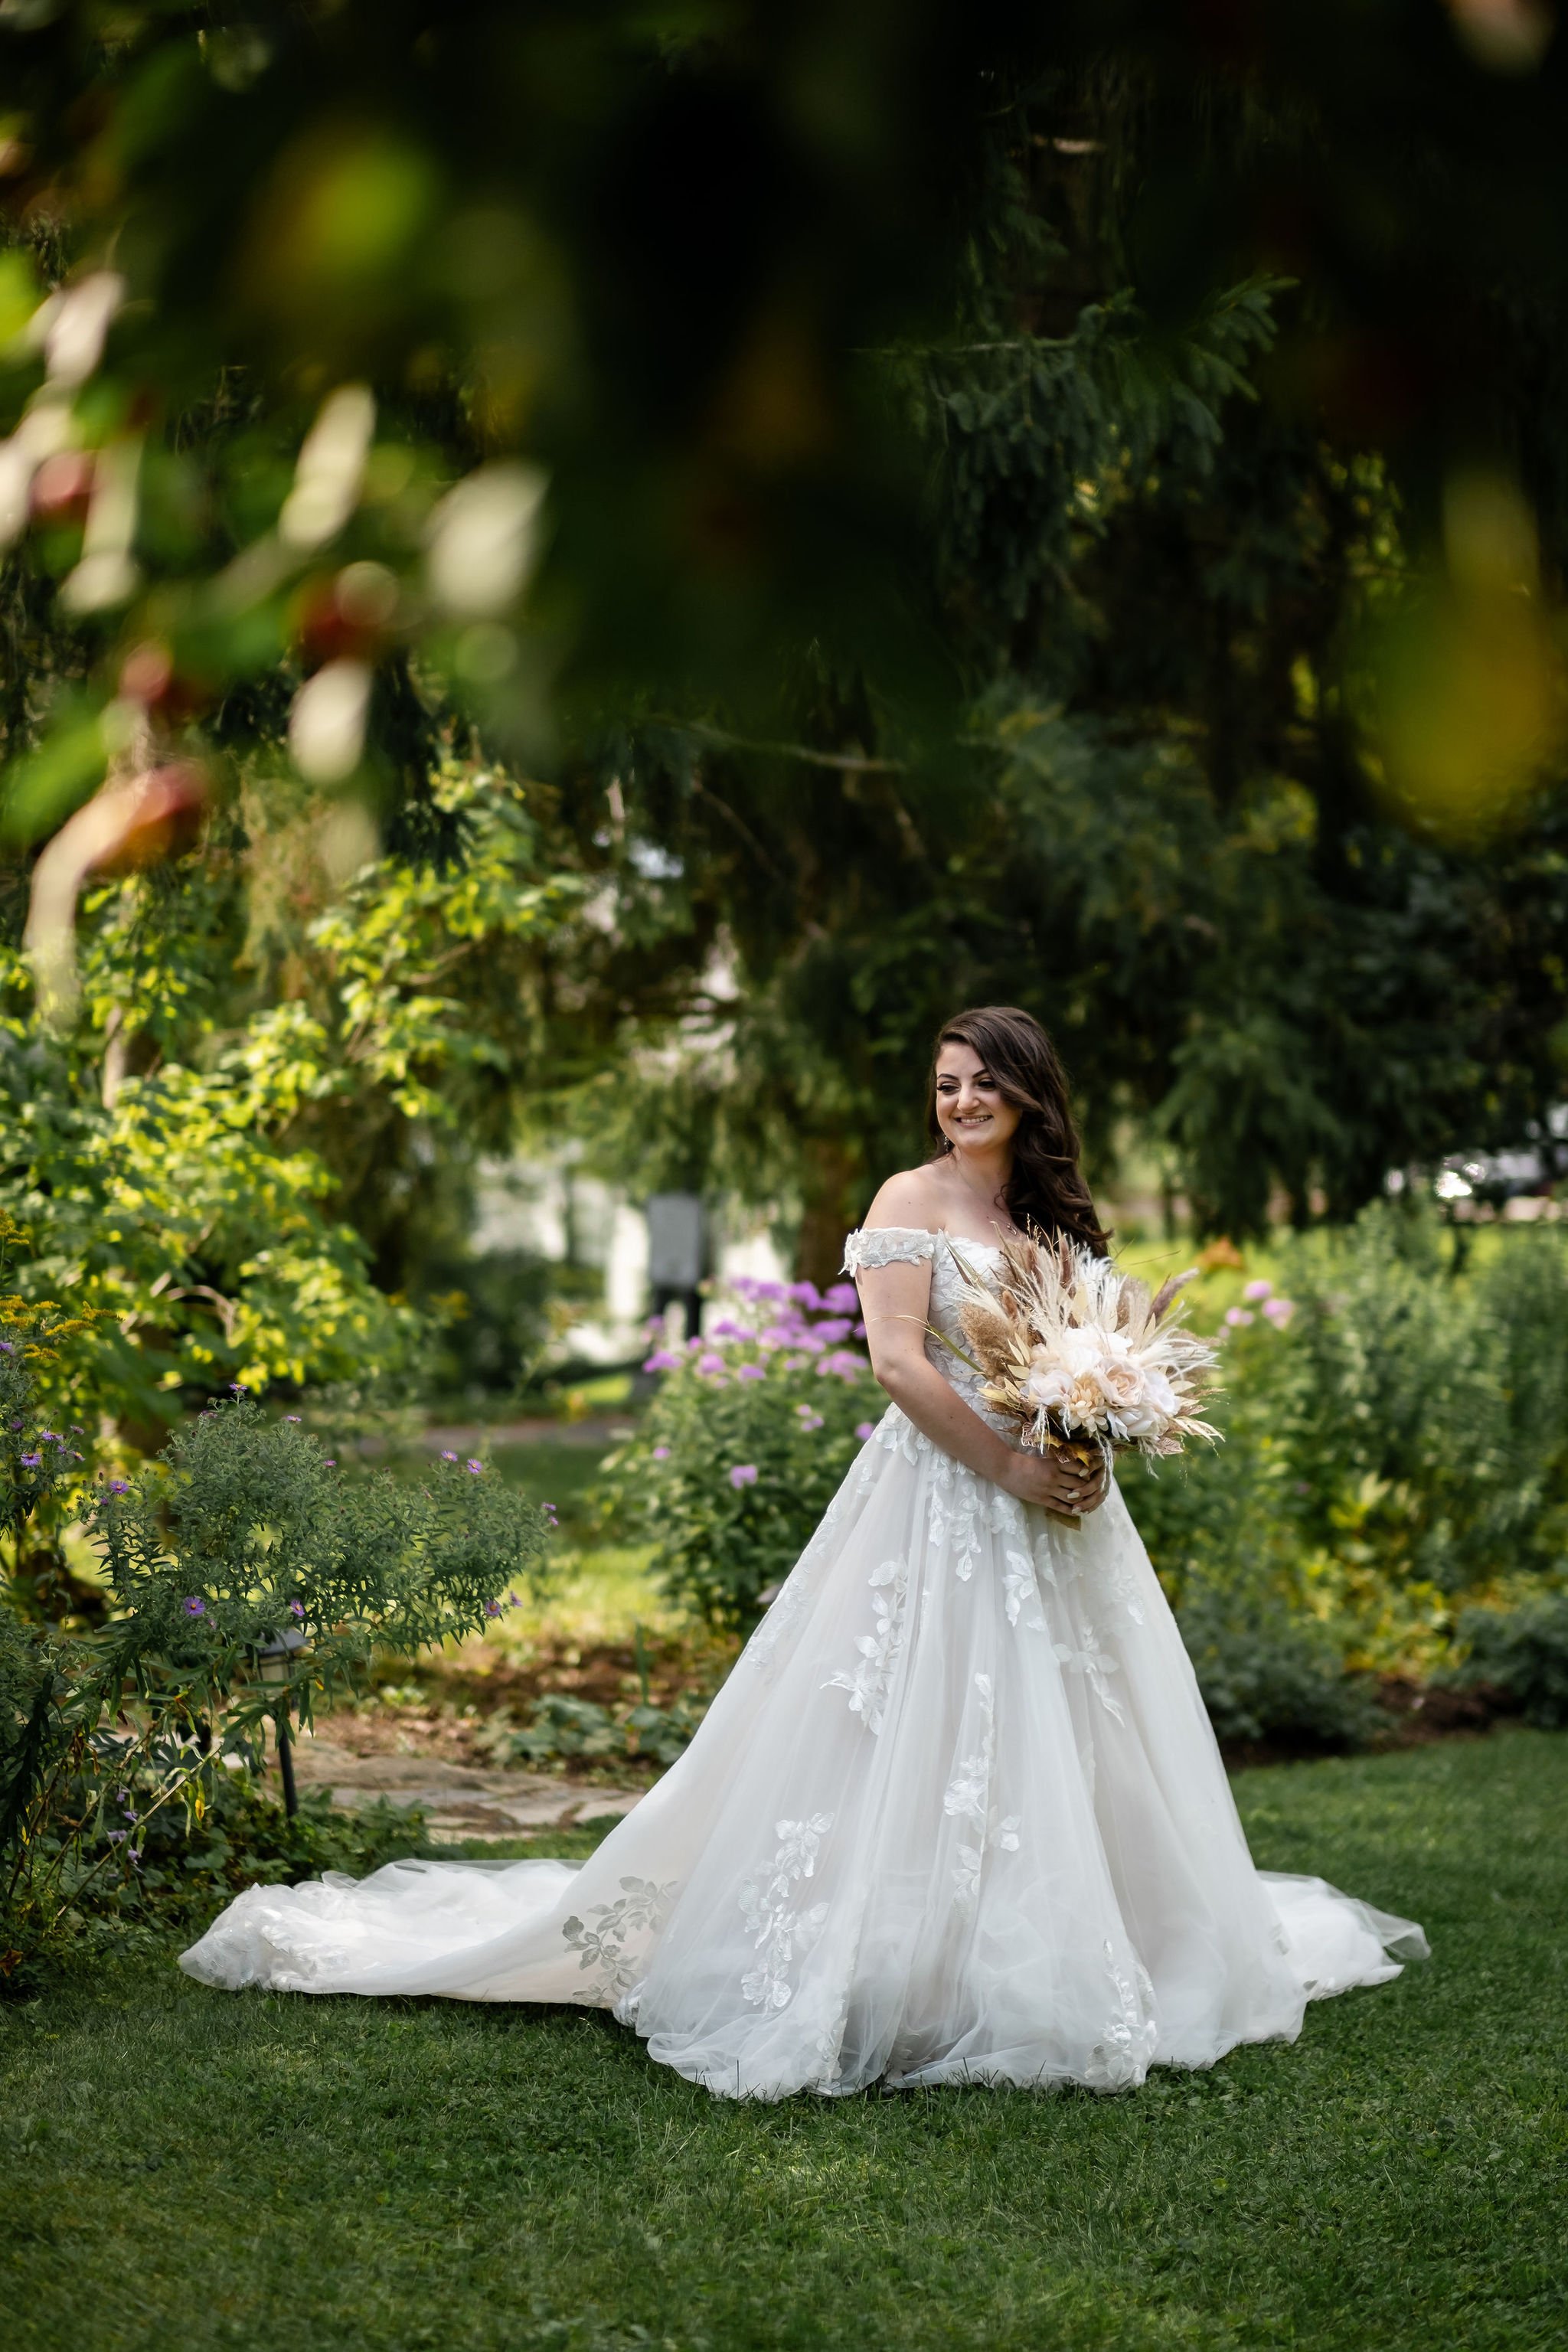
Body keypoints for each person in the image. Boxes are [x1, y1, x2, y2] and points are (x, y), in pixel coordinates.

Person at [181, 1004, 1426, 2096]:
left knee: (1075, 1725)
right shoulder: (908, 1202)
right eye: (945, 1083)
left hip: (1056, 1512)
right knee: (913, 1720)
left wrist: (1089, 1445)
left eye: (983, 1080)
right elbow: (894, 1363)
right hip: (942, 1492)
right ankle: (884, 1959)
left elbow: (1076, 1356)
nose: (960, 1101)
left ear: (1030, 1091)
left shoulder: (1047, 1214)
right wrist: (1002, 1461)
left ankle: (1092, 1939)